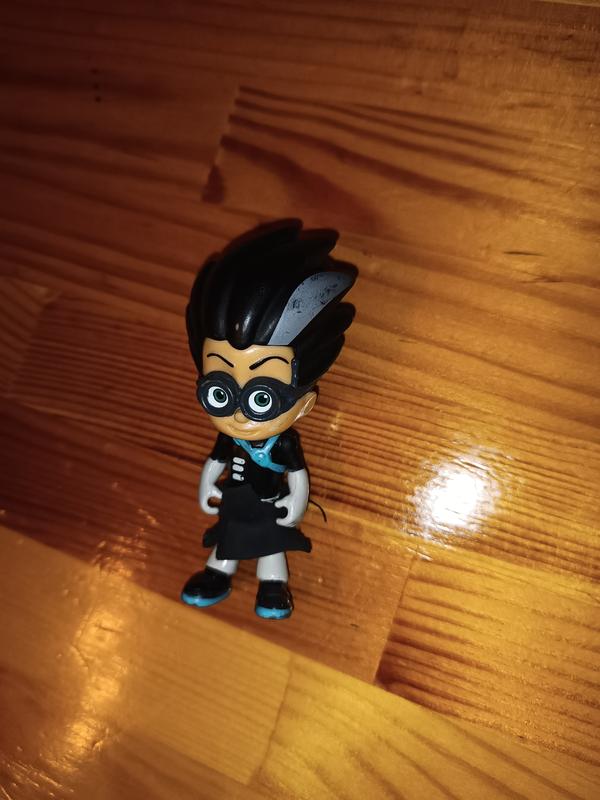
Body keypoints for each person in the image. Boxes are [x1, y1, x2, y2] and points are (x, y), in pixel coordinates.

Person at [181, 218, 357, 619]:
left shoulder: (282, 443)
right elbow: (216, 459)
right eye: (220, 393)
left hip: (268, 503)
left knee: (271, 545)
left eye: (262, 399)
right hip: (236, 502)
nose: (239, 416)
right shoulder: (231, 438)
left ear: (303, 404)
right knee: (227, 540)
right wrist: (207, 481)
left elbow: (296, 474)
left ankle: (273, 586)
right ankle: (218, 574)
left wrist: (296, 500)